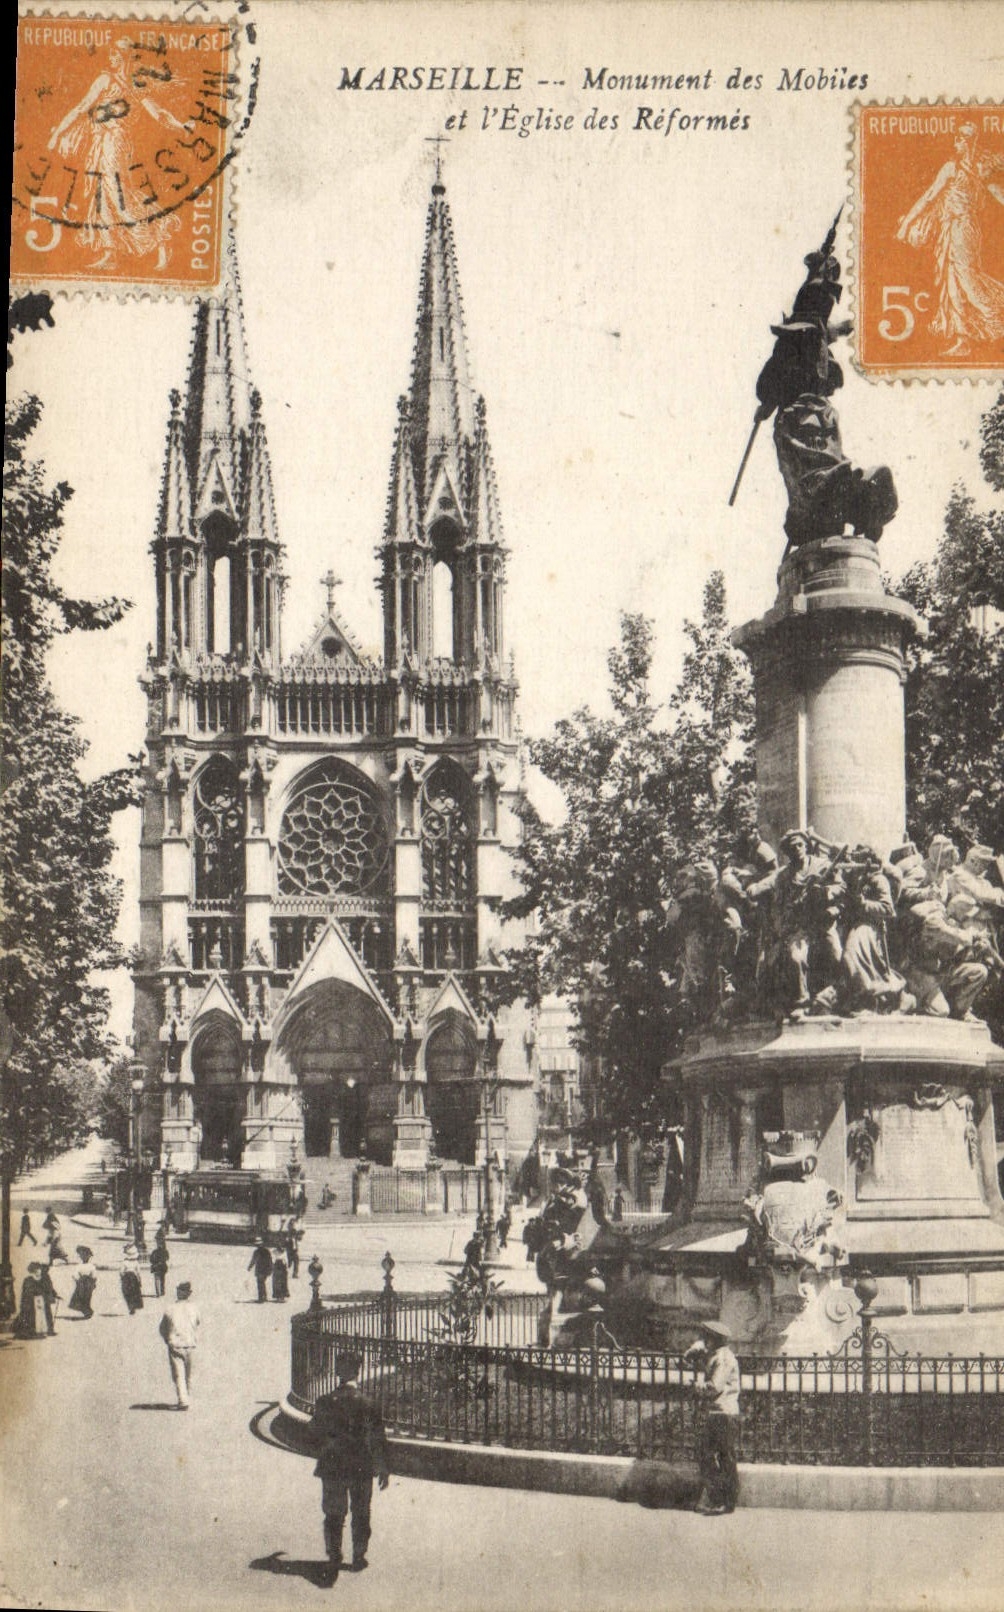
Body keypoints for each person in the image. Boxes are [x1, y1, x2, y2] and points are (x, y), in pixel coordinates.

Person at [896, 123, 1004, 357]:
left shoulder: (954, 168)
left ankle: (996, 317)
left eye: (959, 139)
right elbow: (998, 194)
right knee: (952, 282)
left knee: (966, 278)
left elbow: (928, 197)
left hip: (961, 229)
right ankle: (962, 339)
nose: (955, 143)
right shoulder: (977, 168)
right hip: (957, 229)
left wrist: (906, 226)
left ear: (966, 143)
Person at [309, 1350, 390, 1581]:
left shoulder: (324, 1402)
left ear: (337, 1371)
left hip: (333, 1465)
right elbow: (378, 1438)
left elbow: (314, 1433)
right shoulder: (369, 1403)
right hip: (361, 1466)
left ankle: (334, 1553)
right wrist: (384, 1467)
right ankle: (359, 1554)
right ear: (359, 1371)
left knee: (334, 1512)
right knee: (361, 1511)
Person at [685, 1320, 742, 1515]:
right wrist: (693, 1355)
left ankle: (726, 1501)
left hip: (724, 1413)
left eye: (706, 1337)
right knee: (708, 1455)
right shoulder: (715, 1355)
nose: (703, 1340)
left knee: (725, 1457)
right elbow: (686, 1361)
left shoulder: (724, 1358)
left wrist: (696, 1385)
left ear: (714, 1338)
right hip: (716, 1413)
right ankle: (718, 1498)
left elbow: (714, 1387)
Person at [159, 1281, 201, 1410]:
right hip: (190, 1343)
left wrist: (167, 1339)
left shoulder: (170, 1308)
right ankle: (187, 1396)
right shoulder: (194, 1308)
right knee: (189, 1373)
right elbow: (198, 1322)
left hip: (175, 1344)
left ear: (178, 1293)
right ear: (189, 1294)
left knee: (178, 1373)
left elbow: (162, 1328)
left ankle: (183, 1400)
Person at [13, 1262, 57, 1337]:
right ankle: (34, 1331)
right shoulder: (28, 1279)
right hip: (32, 1301)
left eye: (39, 1269)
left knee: (45, 1314)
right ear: (32, 1271)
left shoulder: (43, 1279)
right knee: (34, 1315)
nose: (39, 1271)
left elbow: (48, 1288)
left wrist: (53, 1294)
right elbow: (26, 1292)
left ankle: (47, 1330)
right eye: (36, 1270)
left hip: (43, 1300)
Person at [69, 1247, 98, 1319]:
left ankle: (88, 1311)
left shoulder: (91, 1266)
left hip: (88, 1283)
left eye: (87, 1256)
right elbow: (75, 1275)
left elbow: (94, 1276)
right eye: (83, 1256)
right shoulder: (79, 1266)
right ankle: (87, 1311)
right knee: (80, 1297)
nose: (85, 1258)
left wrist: (93, 1282)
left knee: (87, 1297)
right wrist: (78, 1281)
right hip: (81, 1283)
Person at [120, 1243, 144, 1315]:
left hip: (126, 1278)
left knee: (127, 1293)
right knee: (134, 1293)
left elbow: (121, 1272)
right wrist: (139, 1280)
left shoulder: (124, 1262)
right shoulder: (136, 1263)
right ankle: (134, 1306)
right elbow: (138, 1273)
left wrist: (122, 1278)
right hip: (134, 1278)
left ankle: (130, 1306)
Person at [248, 1238, 273, 1303]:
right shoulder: (266, 1251)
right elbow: (270, 1260)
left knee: (260, 1283)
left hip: (261, 1269)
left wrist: (250, 1267)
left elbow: (253, 1260)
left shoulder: (257, 1252)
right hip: (264, 1269)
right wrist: (270, 1269)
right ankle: (264, 1296)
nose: (257, 1246)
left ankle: (261, 1298)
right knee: (262, 1283)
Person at [149, 1231, 169, 1298]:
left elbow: (151, 1259)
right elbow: (167, 1258)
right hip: (163, 1267)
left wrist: (154, 1262)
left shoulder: (155, 1252)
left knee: (157, 1279)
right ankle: (162, 1291)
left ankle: (158, 1293)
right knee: (162, 1279)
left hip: (156, 1267)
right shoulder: (165, 1251)